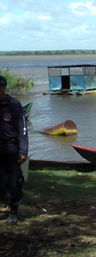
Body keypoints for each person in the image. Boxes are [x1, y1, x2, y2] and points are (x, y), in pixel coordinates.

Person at [0, 75, 28, 225]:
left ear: (3, 88)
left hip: (10, 146)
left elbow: (22, 129)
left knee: (14, 179)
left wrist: (23, 151)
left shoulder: (14, 105)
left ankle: (13, 211)